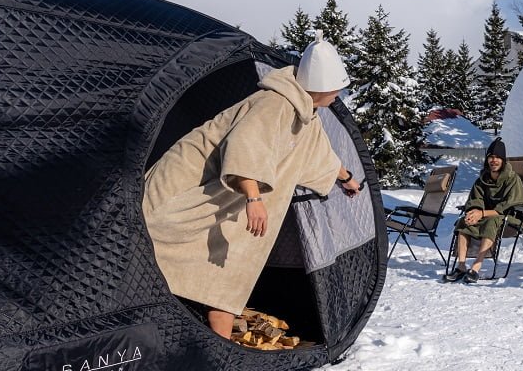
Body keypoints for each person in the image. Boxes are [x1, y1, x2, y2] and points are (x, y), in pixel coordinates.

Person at [141, 33, 362, 338]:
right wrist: (254, 199)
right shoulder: (275, 104)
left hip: (228, 196)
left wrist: (346, 179)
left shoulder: (305, 113)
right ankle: (192, 332)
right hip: (188, 187)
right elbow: (245, 147)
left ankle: (219, 341)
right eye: (336, 90)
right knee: (158, 246)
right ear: (320, 87)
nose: (338, 96)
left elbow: (318, 154)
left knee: (233, 263)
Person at [447, 137, 523, 283]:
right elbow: (476, 199)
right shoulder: (483, 179)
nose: (493, 160)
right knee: (464, 223)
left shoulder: (512, 179)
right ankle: (461, 266)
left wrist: (481, 213)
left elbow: (508, 205)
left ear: (503, 160)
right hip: (486, 215)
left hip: (509, 218)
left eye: (497, 157)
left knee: (492, 221)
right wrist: (473, 212)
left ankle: (476, 267)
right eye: (491, 157)